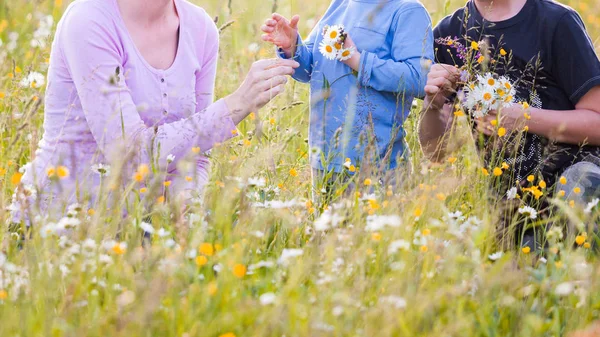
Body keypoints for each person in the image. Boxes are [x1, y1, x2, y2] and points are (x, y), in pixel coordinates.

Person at [9, 0, 299, 222]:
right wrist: (237, 104)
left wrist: (184, 215)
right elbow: (128, 153)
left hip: (142, 232)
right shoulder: (89, 21)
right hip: (58, 230)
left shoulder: (200, 29)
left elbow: (196, 155)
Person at [419, 0, 600, 249]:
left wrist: (523, 118)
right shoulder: (449, 36)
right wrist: (434, 104)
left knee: (579, 185)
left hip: (576, 185)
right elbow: (437, 153)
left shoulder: (556, 22)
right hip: (512, 206)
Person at [260, 0, 434, 198]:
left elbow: (420, 78)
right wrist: (293, 47)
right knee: (326, 228)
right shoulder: (340, 4)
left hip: (378, 166)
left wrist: (358, 61)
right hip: (325, 161)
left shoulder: (407, 10)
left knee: (370, 228)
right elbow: (310, 69)